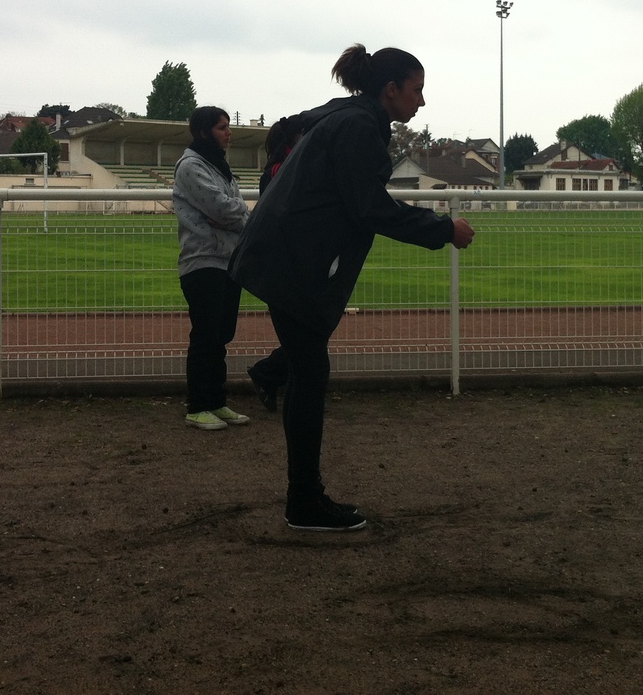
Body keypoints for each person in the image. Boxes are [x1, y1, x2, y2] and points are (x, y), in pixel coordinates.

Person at [230, 44, 476, 531]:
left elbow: (293, 128)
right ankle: (304, 501)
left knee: (307, 369)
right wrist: (444, 229)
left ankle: (303, 495)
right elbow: (371, 208)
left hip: (281, 255)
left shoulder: (348, 114)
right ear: (391, 90)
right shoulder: (359, 126)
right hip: (289, 261)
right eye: (417, 90)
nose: (422, 101)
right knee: (310, 373)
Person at [173, 106, 252, 430]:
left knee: (220, 336)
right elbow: (223, 208)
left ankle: (216, 402)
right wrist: (241, 216)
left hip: (228, 261)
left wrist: (236, 215)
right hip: (202, 261)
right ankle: (197, 406)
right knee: (206, 336)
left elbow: (232, 210)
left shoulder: (218, 166)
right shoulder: (191, 166)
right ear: (204, 132)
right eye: (222, 127)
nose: (228, 133)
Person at [245, 114, 307, 412]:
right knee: (306, 334)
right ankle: (270, 375)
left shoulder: (278, 168)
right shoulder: (285, 169)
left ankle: (274, 377)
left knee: (305, 333)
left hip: (284, 259)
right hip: (288, 261)